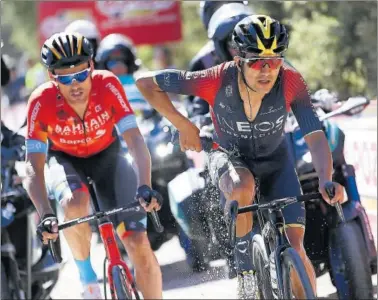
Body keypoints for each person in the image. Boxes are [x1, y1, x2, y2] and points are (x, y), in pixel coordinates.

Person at [136, 15, 344, 299]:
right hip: (229, 158)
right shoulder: (216, 78)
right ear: (238, 58)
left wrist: (325, 179)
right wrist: (184, 124)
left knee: (296, 249)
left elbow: (315, 135)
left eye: (275, 60)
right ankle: (246, 269)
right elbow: (145, 82)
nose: (267, 70)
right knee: (242, 185)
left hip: (276, 163)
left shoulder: (291, 81)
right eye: (257, 61)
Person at [24, 32, 162, 299]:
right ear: (52, 77)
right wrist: (45, 213)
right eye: (65, 77)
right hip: (66, 161)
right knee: (73, 203)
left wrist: (145, 185)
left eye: (81, 73)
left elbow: (134, 139)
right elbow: (33, 166)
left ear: (92, 66)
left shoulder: (107, 84)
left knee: (138, 243)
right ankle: (87, 280)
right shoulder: (40, 102)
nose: (75, 83)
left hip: (108, 158)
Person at [186, 1, 250, 116]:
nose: (229, 11)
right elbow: (196, 113)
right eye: (233, 42)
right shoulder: (203, 62)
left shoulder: (268, 59)